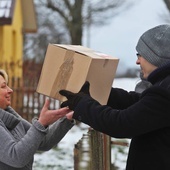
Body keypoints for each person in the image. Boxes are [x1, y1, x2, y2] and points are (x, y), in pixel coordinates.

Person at [59, 24, 170, 170]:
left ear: (155, 56)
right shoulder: (163, 87)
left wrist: (82, 104)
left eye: (140, 55)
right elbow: (138, 103)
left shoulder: (164, 92)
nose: (137, 61)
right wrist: (101, 93)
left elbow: (121, 124)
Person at [0, 69, 74, 170]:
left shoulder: (9, 115)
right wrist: (41, 123)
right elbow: (16, 157)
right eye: (3, 86)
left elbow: (43, 141)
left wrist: (66, 118)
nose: (10, 90)